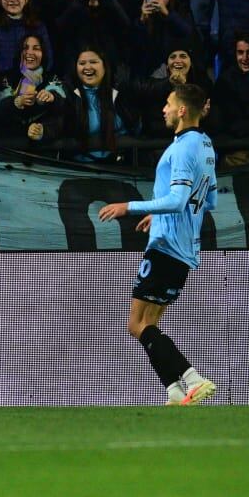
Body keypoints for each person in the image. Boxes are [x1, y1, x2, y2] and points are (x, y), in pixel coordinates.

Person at [98, 83, 219, 406]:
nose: (163, 109)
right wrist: (160, 215)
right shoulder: (206, 145)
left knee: (136, 324)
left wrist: (132, 207)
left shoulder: (181, 149)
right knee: (148, 324)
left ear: (182, 110)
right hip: (184, 248)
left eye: (168, 104)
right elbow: (211, 199)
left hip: (166, 246)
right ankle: (174, 390)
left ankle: (192, 377)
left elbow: (178, 199)